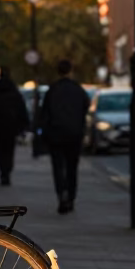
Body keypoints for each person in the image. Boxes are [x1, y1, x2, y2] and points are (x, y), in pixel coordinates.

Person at [39, 59, 90, 214]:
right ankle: (71, 197)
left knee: (58, 167)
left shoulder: (52, 90)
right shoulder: (78, 90)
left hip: (56, 134)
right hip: (74, 134)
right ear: (70, 71)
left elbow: (44, 113)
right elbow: (85, 108)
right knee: (72, 167)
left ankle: (62, 194)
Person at [0, 66, 27, 185]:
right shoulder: (14, 91)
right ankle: (6, 172)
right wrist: (22, 125)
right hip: (11, 127)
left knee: (0, 150)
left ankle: (3, 172)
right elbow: (21, 109)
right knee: (9, 150)